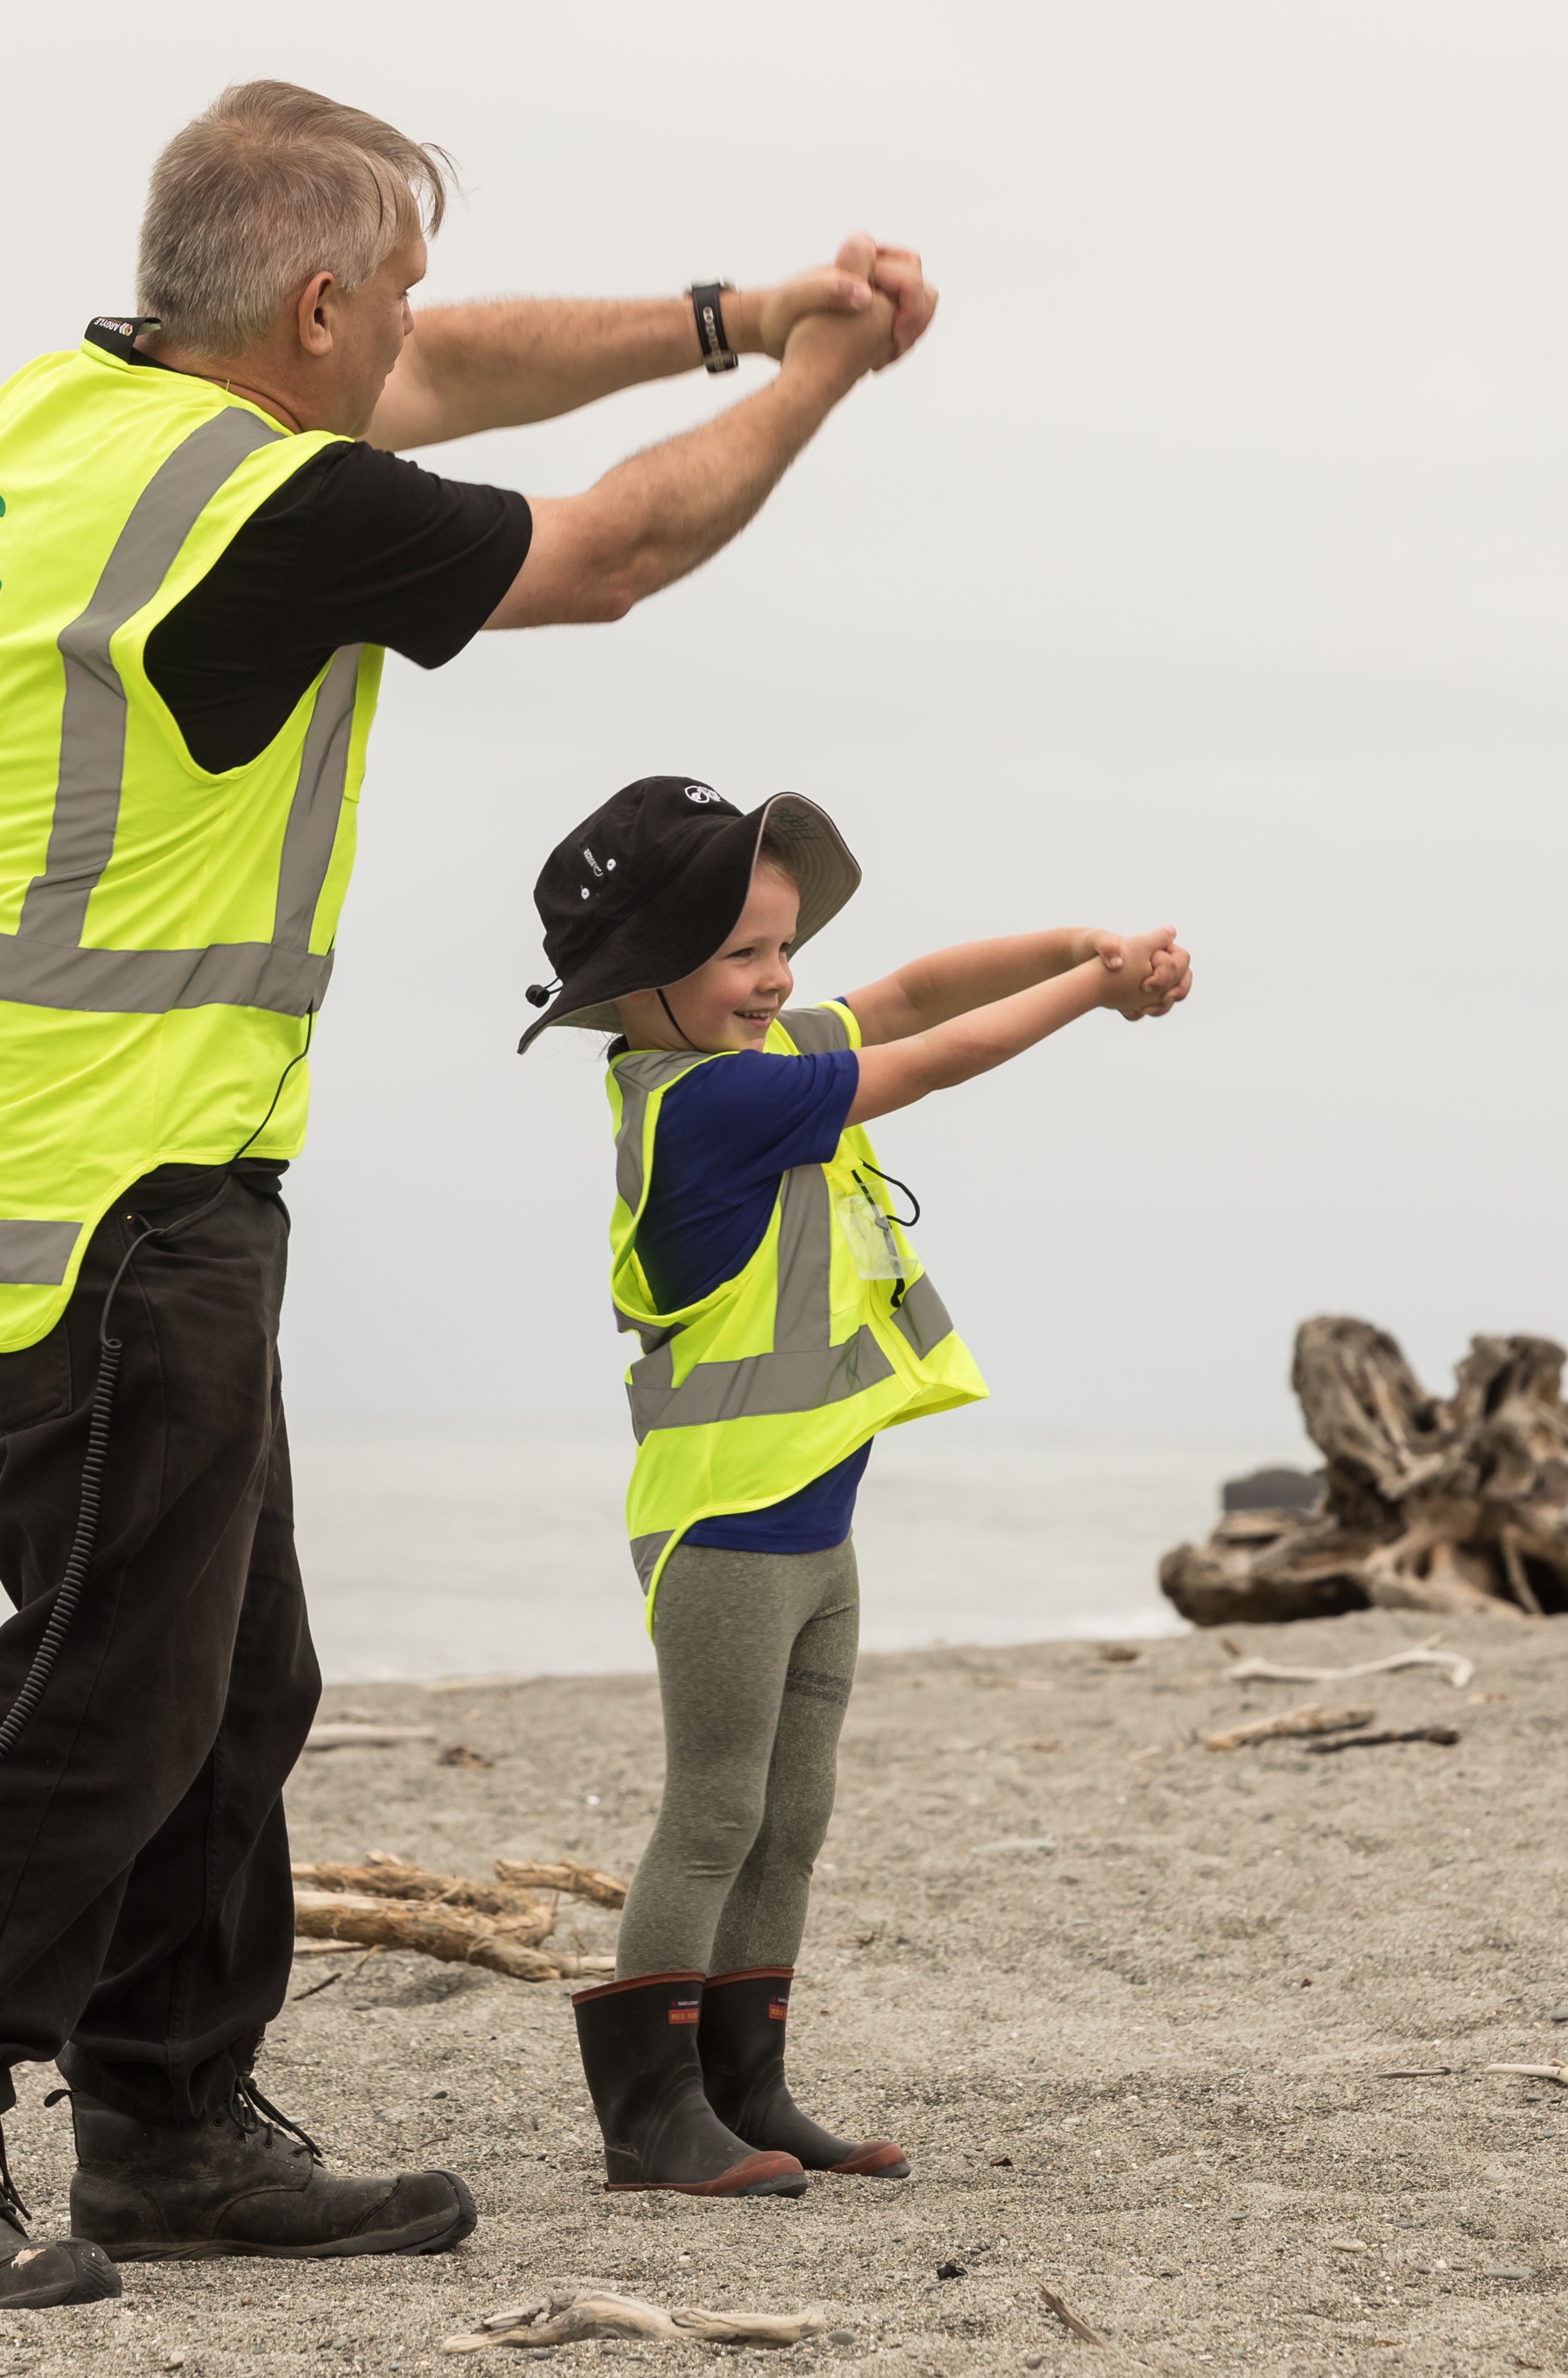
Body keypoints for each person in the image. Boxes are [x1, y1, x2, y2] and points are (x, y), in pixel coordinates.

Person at [0, 82, 936, 2307]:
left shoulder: (73, 407)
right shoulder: (256, 510)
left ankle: (166, 2121)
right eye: (391, 290)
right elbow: (606, 553)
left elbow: (436, 372)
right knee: (121, 1680)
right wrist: (820, 372)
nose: (413, 330)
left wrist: (725, 308)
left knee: (232, 1663)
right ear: (307, 307)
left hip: (12, 1145)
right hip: (103, 1181)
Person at [515, 777, 1192, 2194]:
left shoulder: (750, 1052)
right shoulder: (712, 1105)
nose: (782, 977)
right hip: (724, 1529)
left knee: (794, 1812)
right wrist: (1090, 991)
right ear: (647, 980)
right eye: (746, 954)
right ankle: (651, 2119)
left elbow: (916, 988)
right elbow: (932, 1057)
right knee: (712, 1809)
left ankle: (744, 2090)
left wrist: (1085, 941)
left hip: (816, 1521)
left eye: (782, 946)